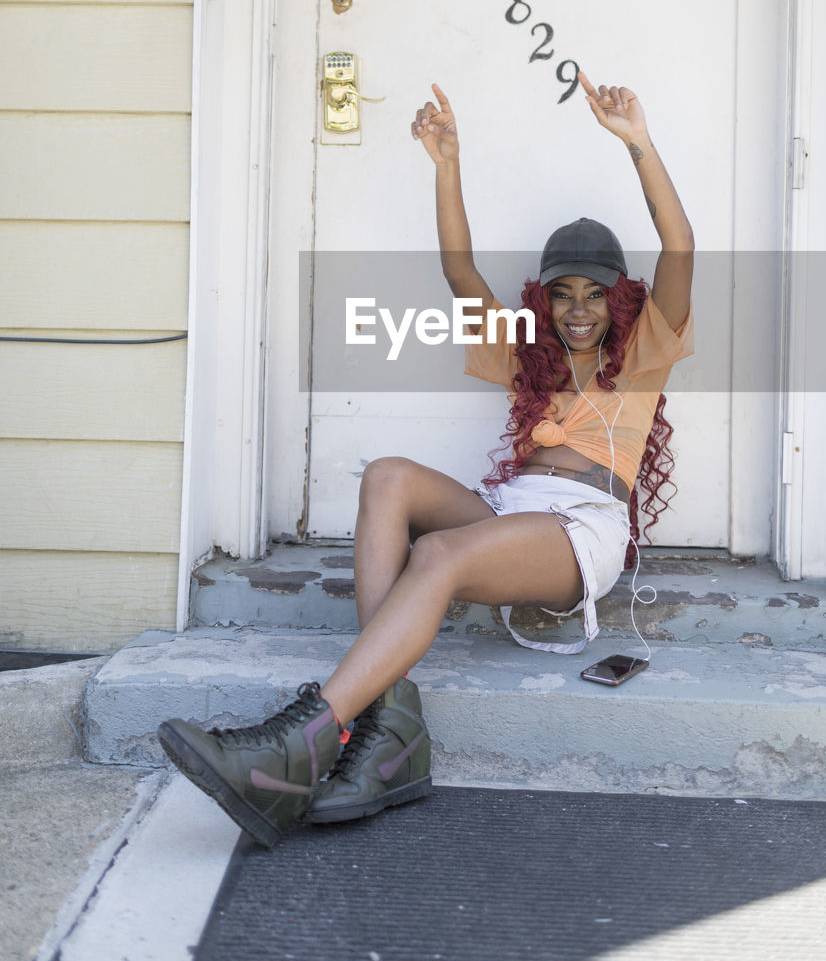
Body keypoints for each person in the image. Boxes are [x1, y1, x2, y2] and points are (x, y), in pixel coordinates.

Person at [157, 70, 694, 848]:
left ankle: (298, 742)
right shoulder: (528, 355)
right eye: (561, 293)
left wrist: (638, 143)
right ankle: (389, 733)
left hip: (579, 533)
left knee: (436, 554)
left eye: (593, 295)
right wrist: (447, 165)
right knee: (387, 477)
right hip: (514, 517)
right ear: (543, 298)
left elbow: (679, 244)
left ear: (619, 301)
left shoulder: (645, 353)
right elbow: (459, 276)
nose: (577, 309)